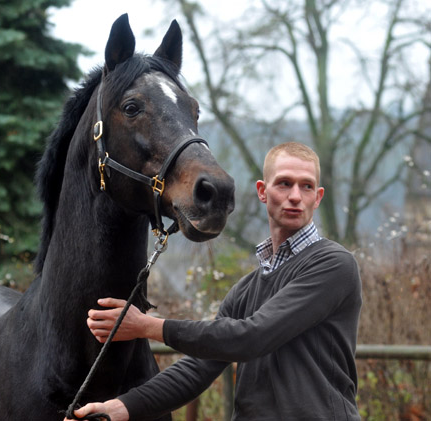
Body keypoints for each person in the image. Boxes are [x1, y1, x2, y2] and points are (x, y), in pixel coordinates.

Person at [65, 142, 362, 421]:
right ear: (263, 191)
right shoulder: (245, 290)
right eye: (284, 183)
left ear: (318, 197)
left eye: (306, 186)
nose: (295, 196)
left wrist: (147, 326)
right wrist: (120, 408)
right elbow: (197, 367)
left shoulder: (333, 265)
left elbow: (252, 337)